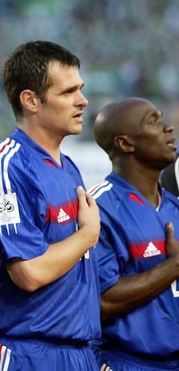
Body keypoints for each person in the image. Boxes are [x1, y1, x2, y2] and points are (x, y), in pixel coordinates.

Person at [0, 40, 102, 369]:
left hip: (78, 352)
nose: (82, 101)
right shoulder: (7, 166)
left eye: (81, 89)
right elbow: (28, 272)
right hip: (25, 352)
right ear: (30, 100)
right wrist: (87, 235)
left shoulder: (69, 166)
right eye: (68, 92)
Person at [90, 97, 179, 370]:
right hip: (126, 361)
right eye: (154, 121)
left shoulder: (174, 206)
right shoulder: (98, 208)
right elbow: (102, 300)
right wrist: (174, 266)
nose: (169, 128)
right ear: (125, 143)